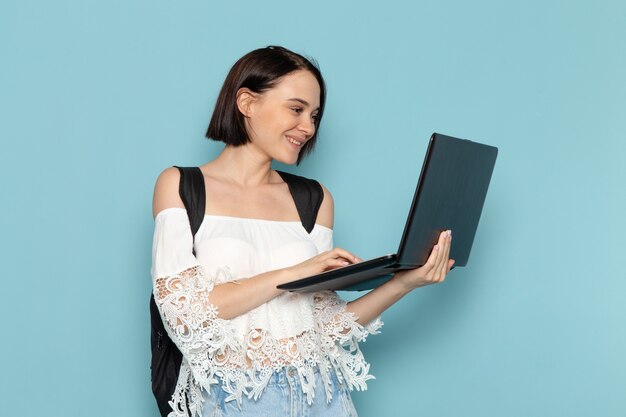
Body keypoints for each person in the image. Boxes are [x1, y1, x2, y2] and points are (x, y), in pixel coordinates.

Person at [151, 45, 454, 417]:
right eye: (296, 109)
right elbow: (186, 317)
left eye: (314, 115)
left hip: (322, 397)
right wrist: (294, 274)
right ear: (246, 101)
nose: (308, 128)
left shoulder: (314, 200)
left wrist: (405, 282)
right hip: (235, 399)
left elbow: (324, 328)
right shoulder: (181, 186)